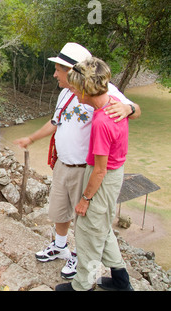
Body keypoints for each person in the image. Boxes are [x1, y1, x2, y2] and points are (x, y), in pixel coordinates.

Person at [13, 42, 141, 279]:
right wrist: (31, 137)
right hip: (63, 163)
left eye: (58, 69)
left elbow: (135, 109)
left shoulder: (102, 91)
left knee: (84, 219)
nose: (54, 74)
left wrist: (128, 108)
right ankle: (60, 246)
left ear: (74, 71)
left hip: (86, 169)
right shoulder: (65, 93)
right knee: (59, 210)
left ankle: (80, 258)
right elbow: (55, 122)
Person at [55, 57, 133, 291]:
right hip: (113, 175)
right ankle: (121, 281)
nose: (75, 95)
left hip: (102, 178)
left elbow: (100, 170)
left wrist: (85, 199)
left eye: (76, 90)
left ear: (87, 90)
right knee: (103, 227)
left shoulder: (101, 121)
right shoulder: (114, 106)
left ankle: (82, 285)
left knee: (87, 230)